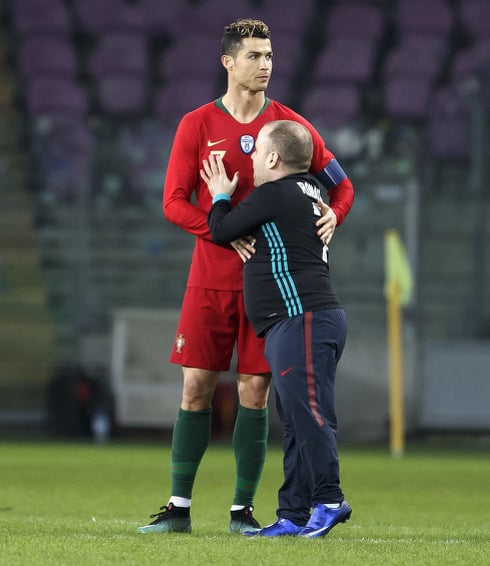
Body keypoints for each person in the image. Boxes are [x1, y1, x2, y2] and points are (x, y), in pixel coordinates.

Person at [137, 18, 354, 535]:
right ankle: (178, 508)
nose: (265, 65)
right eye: (255, 56)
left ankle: (242, 512)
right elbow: (172, 203)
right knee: (195, 389)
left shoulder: (289, 126)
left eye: (270, 55)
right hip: (209, 279)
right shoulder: (196, 125)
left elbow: (341, 186)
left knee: (256, 393)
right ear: (228, 63)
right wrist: (223, 234)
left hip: (273, 289)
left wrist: (335, 215)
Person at [203, 119, 351, 538]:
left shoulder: (275, 193)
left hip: (300, 317)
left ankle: (330, 498)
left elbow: (221, 230)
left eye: (256, 152)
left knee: (309, 416)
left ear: (272, 158)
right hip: (310, 319)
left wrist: (220, 196)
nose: (250, 160)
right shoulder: (313, 191)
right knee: (297, 417)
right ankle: (293, 514)